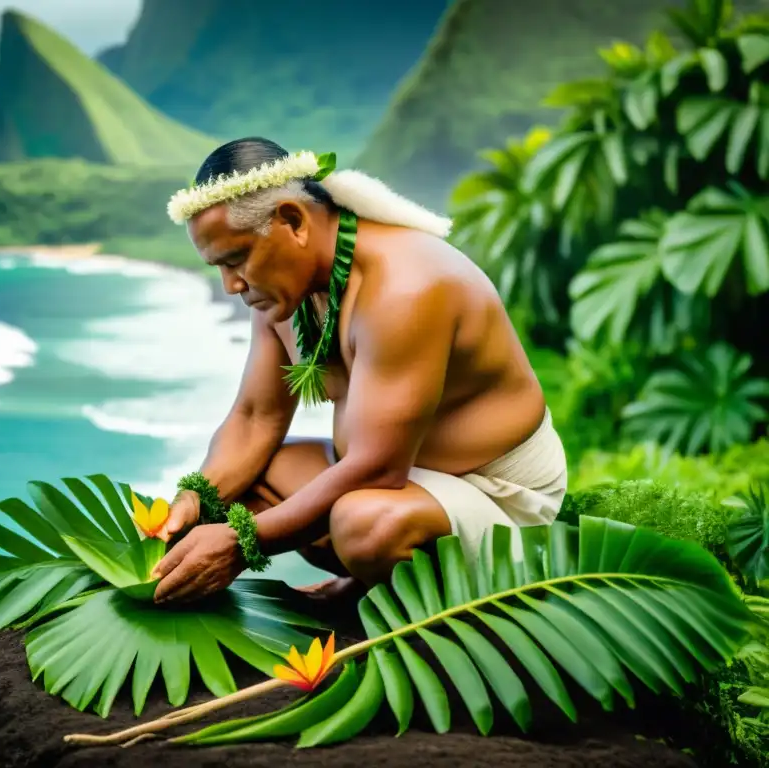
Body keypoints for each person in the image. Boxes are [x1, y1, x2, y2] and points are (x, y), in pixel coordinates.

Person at [149, 137, 568, 605]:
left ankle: (381, 591)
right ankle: (368, 585)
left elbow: (378, 466)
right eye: (219, 267)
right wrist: (194, 499)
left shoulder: (407, 286)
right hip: (398, 481)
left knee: (362, 523)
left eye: (237, 259)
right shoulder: (283, 290)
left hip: (493, 495)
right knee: (244, 488)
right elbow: (254, 418)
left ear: (292, 221)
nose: (232, 286)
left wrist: (240, 543)